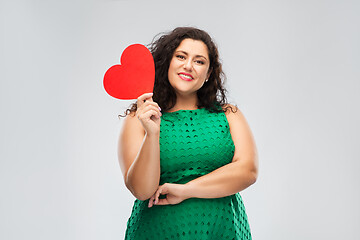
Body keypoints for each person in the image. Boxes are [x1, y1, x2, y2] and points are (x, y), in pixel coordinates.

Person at [118, 27, 258, 239]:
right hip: (157, 232)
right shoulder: (139, 118)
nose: (188, 66)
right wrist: (152, 134)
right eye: (181, 56)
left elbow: (247, 171)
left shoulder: (229, 115)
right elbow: (142, 190)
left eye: (199, 61)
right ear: (167, 62)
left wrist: (186, 190)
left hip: (222, 231)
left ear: (209, 73)